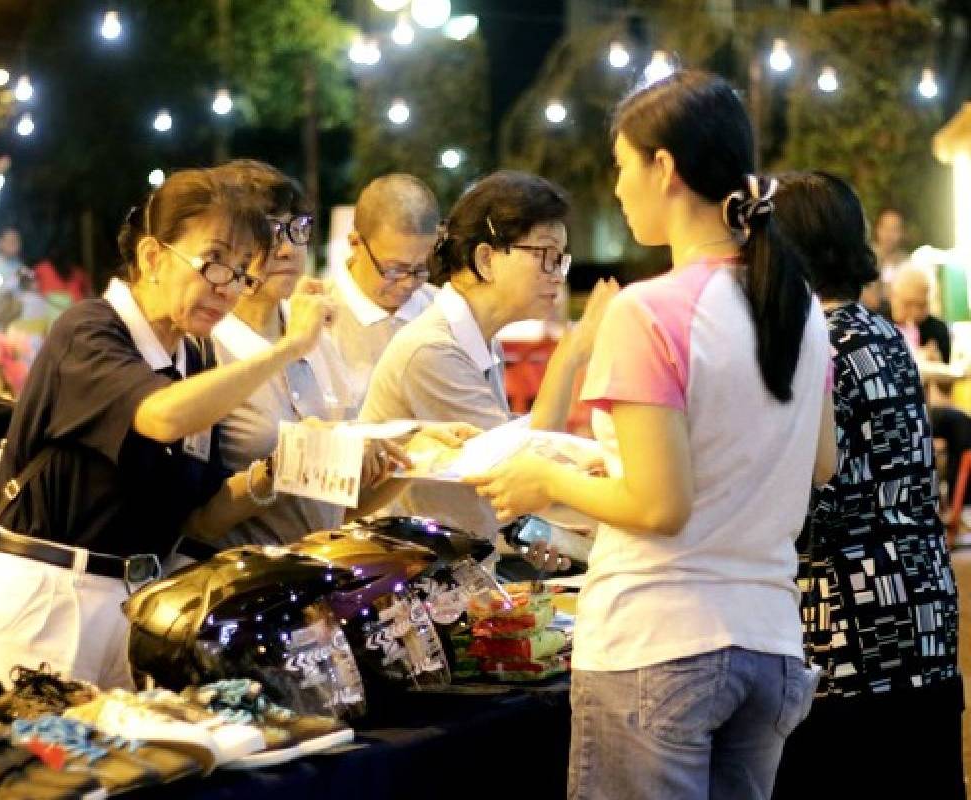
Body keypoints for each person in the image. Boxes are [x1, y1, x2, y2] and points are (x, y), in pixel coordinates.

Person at [469, 71, 836, 798]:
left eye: (621, 167)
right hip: (770, 645)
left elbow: (660, 505)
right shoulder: (798, 305)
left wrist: (546, 480)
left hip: (659, 643)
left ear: (662, 167)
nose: (617, 189)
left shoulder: (651, 310)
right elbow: (821, 462)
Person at [0, 168, 334, 689]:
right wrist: (289, 348)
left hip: (133, 608)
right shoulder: (89, 331)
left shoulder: (192, 357)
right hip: (43, 601)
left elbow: (201, 519)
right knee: (32, 764)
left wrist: (272, 475)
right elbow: (161, 417)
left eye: (241, 273)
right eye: (214, 263)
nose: (228, 289)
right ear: (153, 256)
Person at [771, 172, 963, 797]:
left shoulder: (815, 347)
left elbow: (816, 508)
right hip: (921, 616)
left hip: (850, 640)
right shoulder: (877, 332)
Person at [360, 170, 611, 547]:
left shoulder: (475, 337)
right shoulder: (433, 349)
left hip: (454, 563)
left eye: (562, 259)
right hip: (410, 576)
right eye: (545, 256)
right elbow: (512, 466)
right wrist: (570, 355)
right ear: (486, 259)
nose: (557, 275)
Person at [209, 161, 427, 548]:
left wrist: (419, 456)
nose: (288, 248)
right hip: (239, 583)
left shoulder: (310, 327)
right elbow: (200, 521)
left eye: (298, 229)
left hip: (314, 577)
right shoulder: (207, 344)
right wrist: (290, 462)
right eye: (270, 231)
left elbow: (333, 507)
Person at [326, 174, 441, 404]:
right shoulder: (317, 317)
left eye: (420, 268)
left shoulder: (443, 310)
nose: (408, 283)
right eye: (394, 269)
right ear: (356, 244)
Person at [888, 265, 971, 513]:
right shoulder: (881, 323)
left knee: (963, 425)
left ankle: (958, 507)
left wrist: (935, 362)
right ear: (895, 297)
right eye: (909, 303)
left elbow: (946, 389)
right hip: (891, 408)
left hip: (929, 406)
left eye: (921, 304)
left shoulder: (936, 329)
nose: (914, 311)